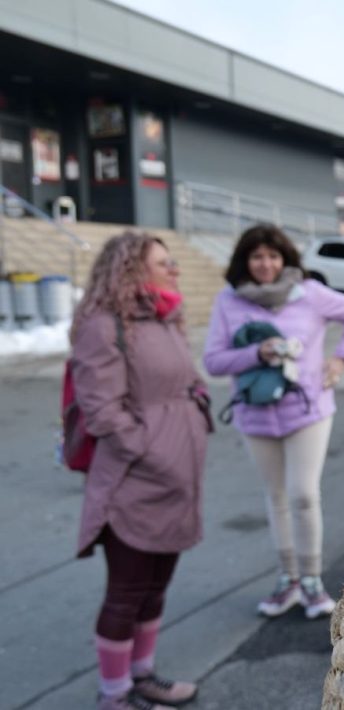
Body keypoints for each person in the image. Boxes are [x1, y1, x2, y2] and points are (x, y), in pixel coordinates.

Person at [70, 232, 210, 709]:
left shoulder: (165, 317)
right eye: (163, 262)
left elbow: (182, 380)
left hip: (176, 479)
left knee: (154, 589)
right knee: (126, 592)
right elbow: (102, 412)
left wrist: (196, 405)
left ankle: (142, 676)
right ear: (131, 267)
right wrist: (152, 449)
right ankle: (114, 695)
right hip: (135, 482)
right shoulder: (103, 325)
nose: (174, 269)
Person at [203, 224, 344, 619]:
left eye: (273, 256)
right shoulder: (228, 300)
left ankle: (312, 581)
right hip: (255, 414)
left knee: (303, 494)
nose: (266, 264)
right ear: (245, 261)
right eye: (257, 257)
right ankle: (288, 579)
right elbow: (213, 361)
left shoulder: (309, 293)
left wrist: (341, 359)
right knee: (276, 496)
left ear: (286, 259)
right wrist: (256, 353)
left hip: (308, 410)